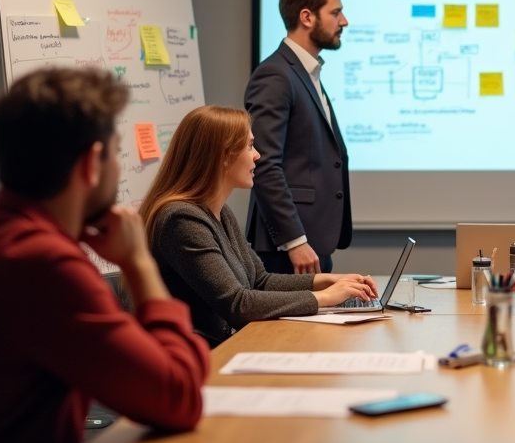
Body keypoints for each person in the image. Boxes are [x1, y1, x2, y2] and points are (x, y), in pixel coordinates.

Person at [0, 68, 209, 443]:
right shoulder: (46, 265)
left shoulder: (6, 239)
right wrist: (140, 265)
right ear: (92, 163)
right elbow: (180, 395)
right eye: (116, 153)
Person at [141, 106, 378, 347]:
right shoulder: (182, 220)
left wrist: (330, 280)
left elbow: (260, 281)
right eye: (249, 146)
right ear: (222, 156)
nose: (258, 155)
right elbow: (238, 305)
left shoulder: (220, 212)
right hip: (202, 356)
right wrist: (325, 298)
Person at [246, 0, 353, 275]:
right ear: (307, 17)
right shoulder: (276, 75)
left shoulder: (306, 73)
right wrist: (294, 241)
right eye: (335, 12)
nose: (344, 21)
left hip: (314, 242)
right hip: (288, 249)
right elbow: (264, 163)